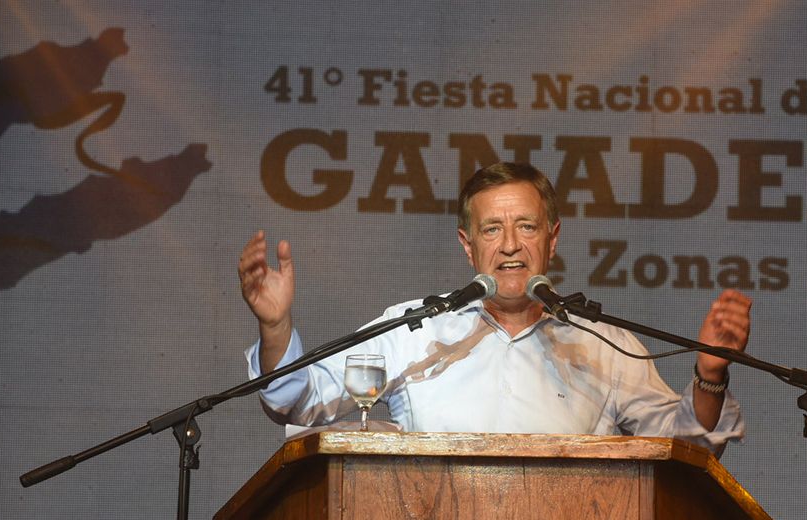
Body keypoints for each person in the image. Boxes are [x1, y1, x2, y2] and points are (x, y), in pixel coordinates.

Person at [238, 162, 752, 455]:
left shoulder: (604, 343)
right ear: (468, 245)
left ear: (552, 239)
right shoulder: (415, 329)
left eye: (526, 227)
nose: (509, 245)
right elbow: (300, 400)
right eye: (492, 229)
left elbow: (689, 447)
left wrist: (709, 378)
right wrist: (276, 326)